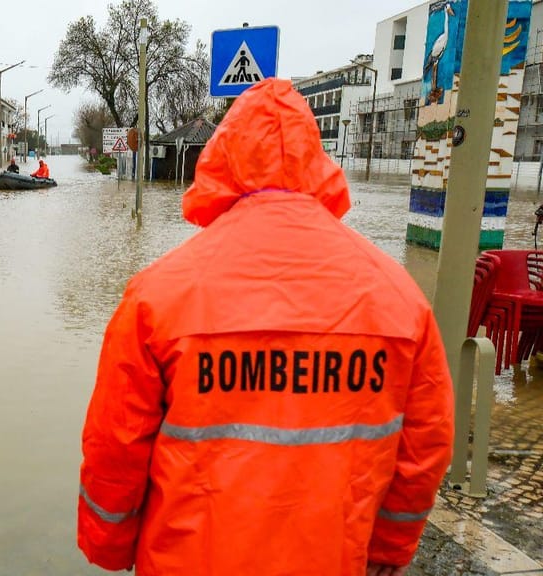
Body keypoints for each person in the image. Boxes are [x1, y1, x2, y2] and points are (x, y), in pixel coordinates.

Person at [77, 78, 453, 576]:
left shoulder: (157, 296)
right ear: (317, 162)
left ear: (220, 160)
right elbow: (425, 449)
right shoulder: (400, 299)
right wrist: (386, 550)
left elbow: (116, 446)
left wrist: (110, 545)